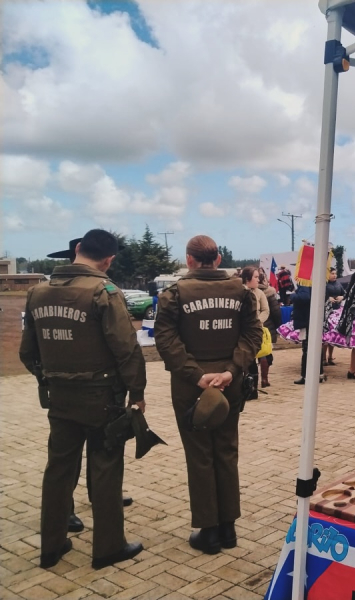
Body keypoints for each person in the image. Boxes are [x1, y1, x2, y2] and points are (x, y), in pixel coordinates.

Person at [20, 229, 146, 569]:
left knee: (58, 470)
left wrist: (51, 378)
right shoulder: (104, 292)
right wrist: (137, 393)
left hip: (60, 397)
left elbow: (27, 352)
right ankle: (108, 547)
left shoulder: (37, 293)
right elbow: (127, 349)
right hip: (102, 396)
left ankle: (51, 545)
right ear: (109, 260)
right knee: (105, 468)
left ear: (77, 248)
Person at [154, 235, 262, 555]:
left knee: (200, 455)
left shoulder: (174, 294)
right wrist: (232, 370)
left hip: (191, 386)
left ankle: (209, 531)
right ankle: (228, 528)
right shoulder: (241, 291)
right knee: (226, 451)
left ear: (189, 260)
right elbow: (253, 334)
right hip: (231, 383)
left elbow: (166, 341)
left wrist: (196, 375)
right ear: (217, 259)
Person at [46, 237, 134, 534]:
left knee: (78, 454)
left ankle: (100, 497)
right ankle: (71, 510)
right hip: (94, 387)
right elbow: (124, 347)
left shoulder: (97, 288)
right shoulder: (89, 290)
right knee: (82, 456)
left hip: (69, 389)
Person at [241, 266, 270, 395]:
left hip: (255, 330)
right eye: (256, 277)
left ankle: (253, 390)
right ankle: (245, 387)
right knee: (244, 359)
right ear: (247, 279)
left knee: (254, 358)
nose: (258, 280)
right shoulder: (239, 292)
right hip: (242, 330)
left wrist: (257, 322)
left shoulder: (260, 293)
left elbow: (266, 310)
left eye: (258, 277)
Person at [291, 282, 324, 385]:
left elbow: (305, 297)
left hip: (306, 320)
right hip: (311, 319)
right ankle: (319, 373)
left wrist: (293, 296)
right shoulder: (314, 283)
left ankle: (305, 375)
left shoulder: (304, 283)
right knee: (315, 347)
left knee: (307, 349)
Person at [259, 272, 282, 388]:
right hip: (267, 328)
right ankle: (264, 379)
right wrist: (277, 326)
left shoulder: (247, 292)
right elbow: (276, 312)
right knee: (266, 352)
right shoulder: (269, 293)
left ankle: (250, 380)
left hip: (253, 327)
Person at [323, 266, 346, 366]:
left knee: (333, 335)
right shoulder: (323, 284)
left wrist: (342, 297)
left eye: (335, 273)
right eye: (332, 273)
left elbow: (345, 294)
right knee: (325, 336)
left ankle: (330, 357)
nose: (334, 275)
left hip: (336, 312)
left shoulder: (338, 284)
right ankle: (323, 358)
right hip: (326, 312)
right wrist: (327, 298)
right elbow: (318, 295)